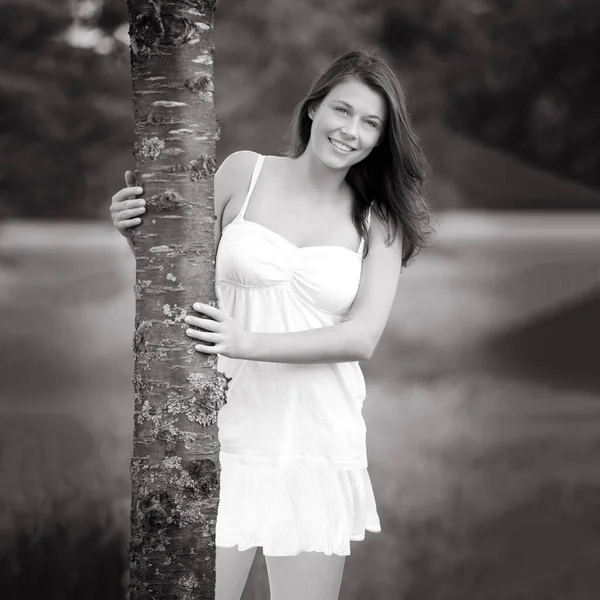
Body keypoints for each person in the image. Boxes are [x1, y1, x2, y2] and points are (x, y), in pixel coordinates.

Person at [110, 49, 432, 600]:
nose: (350, 131)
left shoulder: (380, 222)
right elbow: (178, 267)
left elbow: (361, 336)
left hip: (314, 438)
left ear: (382, 138)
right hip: (220, 432)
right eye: (342, 110)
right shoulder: (244, 172)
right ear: (313, 109)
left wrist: (247, 341)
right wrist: (132, 230)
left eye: (370, 123)